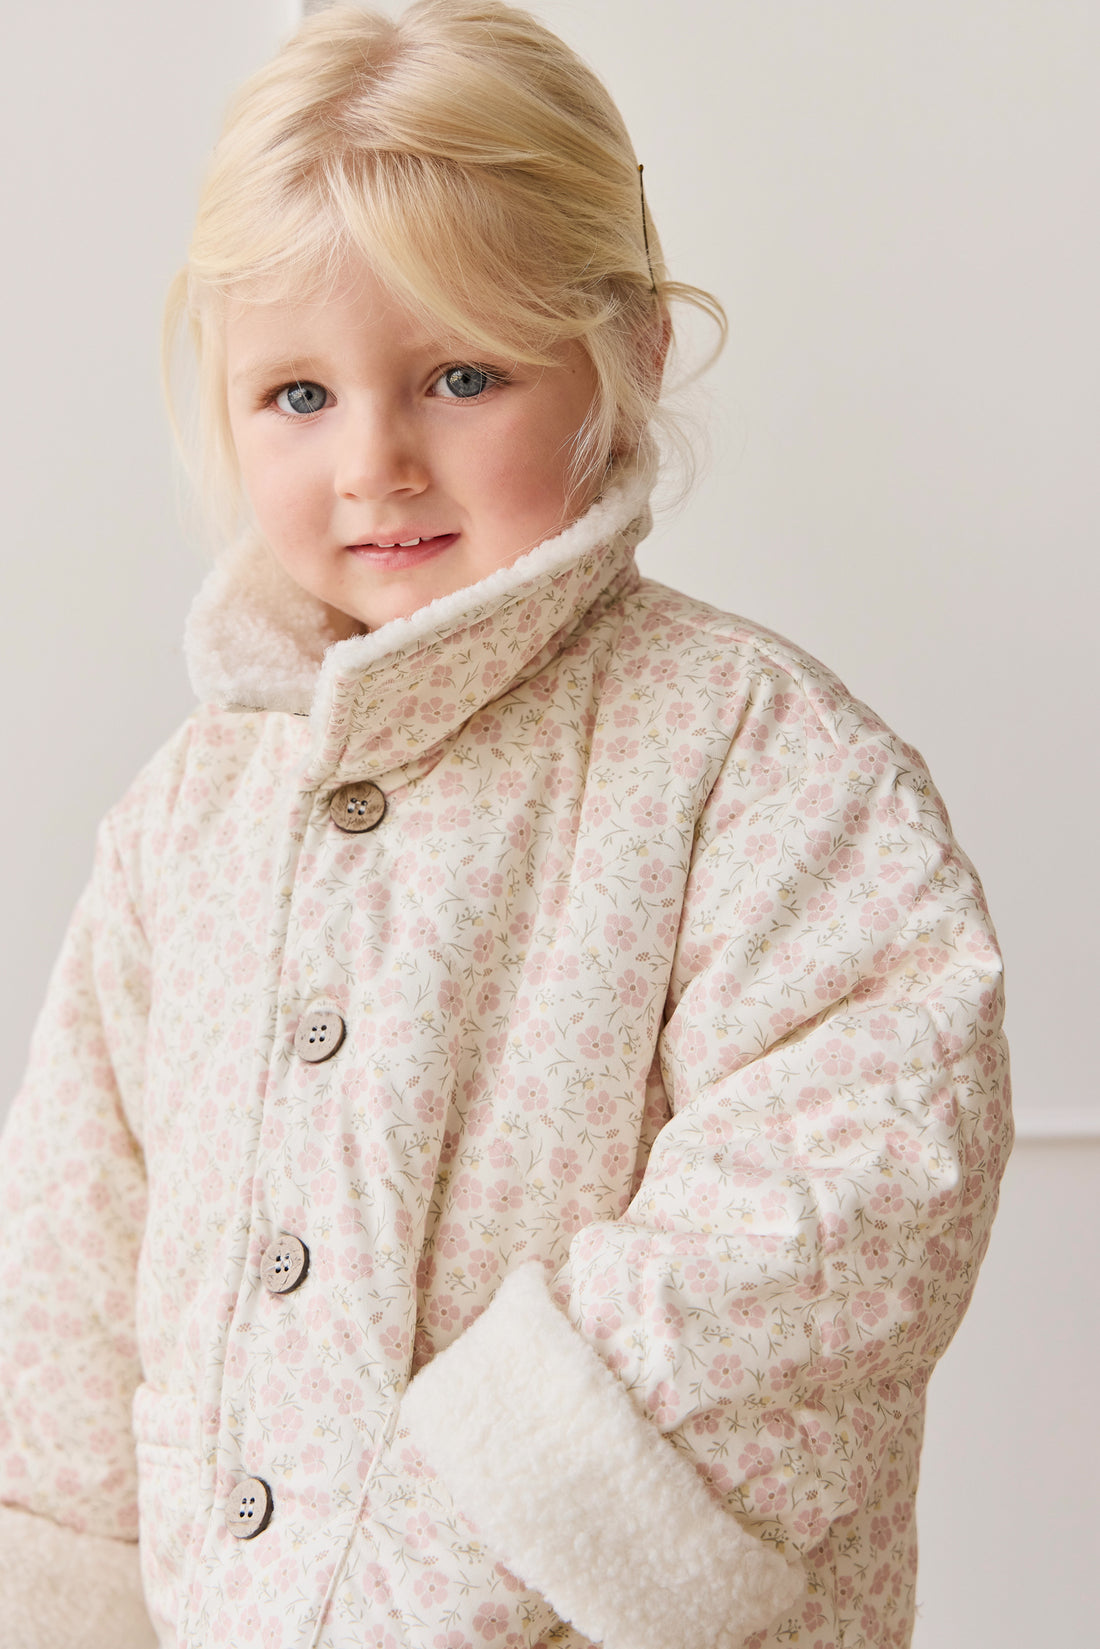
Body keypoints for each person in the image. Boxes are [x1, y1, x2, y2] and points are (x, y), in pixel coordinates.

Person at [0, 3, 1011, 1647]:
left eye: (461, 376)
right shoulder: (185, 821)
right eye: (298, 393)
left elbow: (835, 1207)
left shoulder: (757, 763)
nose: (375, 461)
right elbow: (67, 1281)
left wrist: (440, 1537)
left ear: (628, 357)